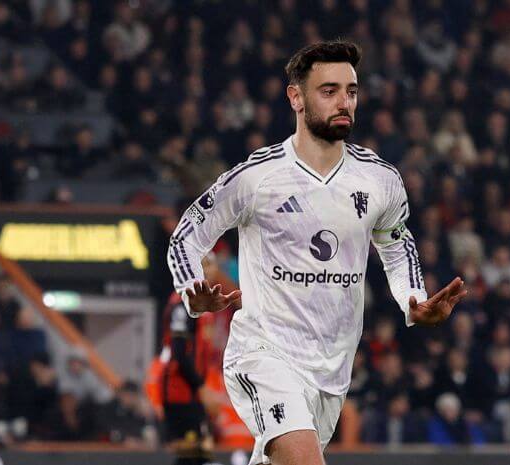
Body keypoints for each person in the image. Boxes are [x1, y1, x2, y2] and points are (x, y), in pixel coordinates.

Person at [167, 40, 467, 465]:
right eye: (329, 91)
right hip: (263, 354)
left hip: (331, 371)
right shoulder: (258, 176)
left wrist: (412, 299)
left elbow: (397, 246)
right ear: (296, 98)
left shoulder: (380, 180)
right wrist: (189, 287)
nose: (344, 101)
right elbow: (186, 234)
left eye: (352, 91)